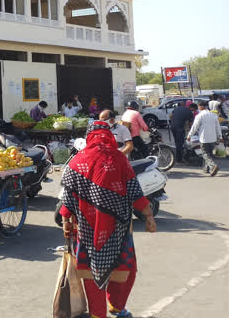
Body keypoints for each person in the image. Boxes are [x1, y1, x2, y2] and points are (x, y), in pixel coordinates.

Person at [60, 120, 157, 318]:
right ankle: (117, 306)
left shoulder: (77, 162)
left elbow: (67, 200)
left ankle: (98, 313)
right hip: (119, 229)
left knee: (90, 271)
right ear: (109, 136)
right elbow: (135, 193)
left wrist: (66, 223)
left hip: (86, 230)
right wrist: (149, 217)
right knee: (123, 268)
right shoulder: (120, 159)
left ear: (89, 137)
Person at [186, 101, 221, 176]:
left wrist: (189, 135)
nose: (198, 107)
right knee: (209, 154)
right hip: (213, 138)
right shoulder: (214, 115)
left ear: (201, 107)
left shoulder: (199, 116)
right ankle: (207, 169)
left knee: (205, 154)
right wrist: (220, 136)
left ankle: (213, 166)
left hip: (204, 138)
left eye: (198, 106)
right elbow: (218, 127)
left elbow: (194, 127)